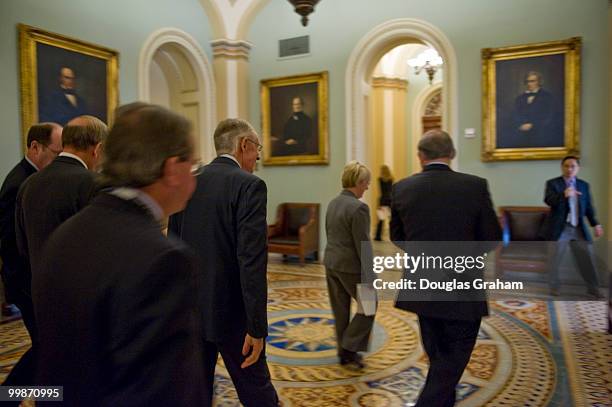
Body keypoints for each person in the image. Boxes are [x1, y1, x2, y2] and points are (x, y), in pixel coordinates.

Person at [32, 102, 205, 405]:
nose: (194, 177)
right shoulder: (163, 259)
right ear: (173, 168)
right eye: (193, 165)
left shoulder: (65, 234)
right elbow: (166, 391)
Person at [168, 118, 278, 407]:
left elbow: (173, 249)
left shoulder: (187, 183)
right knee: (257, 392)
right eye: (257, 149)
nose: (257, 157)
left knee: (195, 393)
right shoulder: (250, 185)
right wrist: (257, 327)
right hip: (234, 316)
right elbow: (251, 260)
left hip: (191, 310)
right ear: (244, 145)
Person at [390, 129, 502, 407]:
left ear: (420, 157)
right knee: (453, 358)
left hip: (423, 283)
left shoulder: (402, 187)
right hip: (462, 284)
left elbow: (396, 235)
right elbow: (491, 237)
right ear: (452, 154)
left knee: (439, 356)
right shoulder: (474, 185)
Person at [0, 123, 62, 392]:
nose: (59, 162)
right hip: (26, 282)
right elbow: (11, 243)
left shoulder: (31, 178)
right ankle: (11, 396)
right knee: (46, 347)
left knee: (47, 348)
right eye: (56, 154)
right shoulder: (21, 183)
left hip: (33, 281)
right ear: (35, 147)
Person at [15, 115, 107, 277]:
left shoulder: (28, 183)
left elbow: (22, 249)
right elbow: (102, 249)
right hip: (82, 293)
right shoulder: (94, 183)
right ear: (97, 149)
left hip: (40, 293)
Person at [324, 160, 375, 369]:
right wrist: (370, 276)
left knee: (340, 310)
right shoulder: (359, 208)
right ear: (359, 181)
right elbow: (363, 245)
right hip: (350, 267)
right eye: (366, 183)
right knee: (370, 305)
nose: (368, 187)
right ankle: (349, 346)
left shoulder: (333, 203)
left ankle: (343, 353)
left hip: (331, 263)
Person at [542, 156, 604, 299]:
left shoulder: (583, 185)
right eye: (566, 166)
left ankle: (593, 288)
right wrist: (564, 195)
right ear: (562, 167)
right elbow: (548, 201)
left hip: (578, 228)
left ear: (578, 168)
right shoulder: (553, 183)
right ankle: (554, 287)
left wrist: (596, 224)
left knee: (587, 257)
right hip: (560, 227)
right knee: (555, 258)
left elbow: (588, 207)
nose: (569, 169)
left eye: (573, 166)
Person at [504, 71, 559, 148]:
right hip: (521, 135)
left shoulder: (548, 97)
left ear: (539, 82)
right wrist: (520, 125)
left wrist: (533, 125)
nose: (529, 84)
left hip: (541, 135)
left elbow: (550, 116)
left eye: (532, 81)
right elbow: (514, 115)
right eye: (527, 81)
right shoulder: (520, 98)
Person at [375, 164, 393, 241]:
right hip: (389, 200)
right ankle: (393, 236)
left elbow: (381, 191)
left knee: (381, 219)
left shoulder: (380, 179)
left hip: (382, 200)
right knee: (391, 219)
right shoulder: (391, 179)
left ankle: (378, 236)